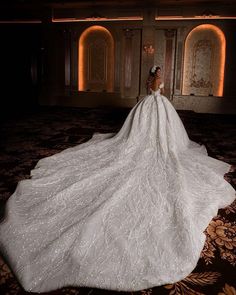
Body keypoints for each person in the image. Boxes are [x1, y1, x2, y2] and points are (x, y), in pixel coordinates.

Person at [0, 66, 235, 293]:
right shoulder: (155, 84)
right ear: (156, 75)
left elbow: (154, 92)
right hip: (155, 106)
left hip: (154, 106)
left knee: (164, 142)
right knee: (147, 144)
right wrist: (159, 90)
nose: (159, 76)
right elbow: (156, 92)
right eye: (158, 74)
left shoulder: (150, 83)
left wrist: (157, 92)